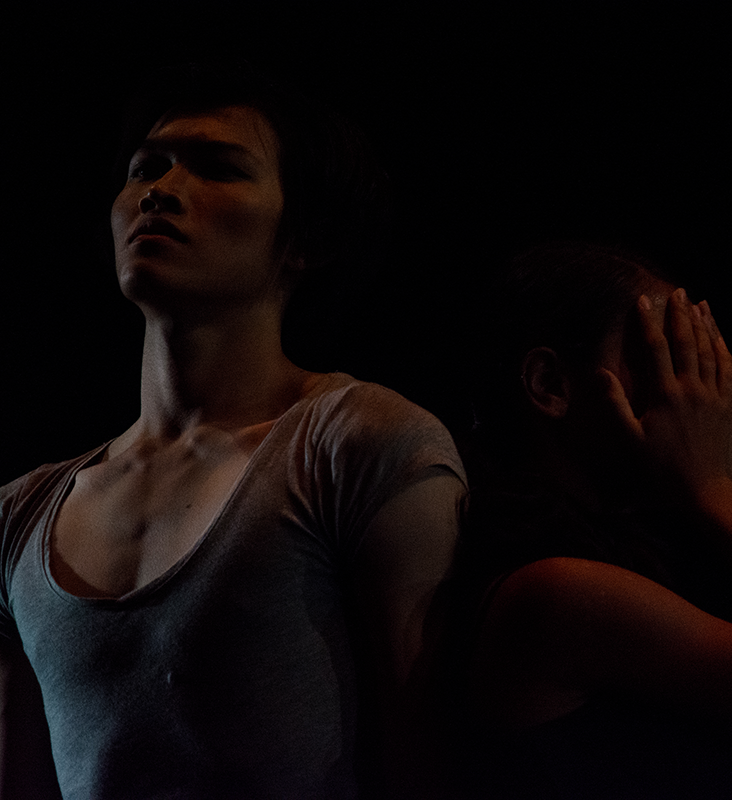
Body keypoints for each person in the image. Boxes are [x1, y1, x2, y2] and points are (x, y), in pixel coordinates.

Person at [0, 64, 465, 799]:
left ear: (305, 236)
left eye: (218, 168)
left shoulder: (361, 444)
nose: (160, 190)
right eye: (146, 167)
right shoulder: (19, 515)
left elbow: (427, 758)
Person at [442, 242, 732, 798]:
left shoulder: (628, 563)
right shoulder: (558, 593)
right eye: (661, 355)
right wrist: (716, 489)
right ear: (551, 384)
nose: (697, 392)